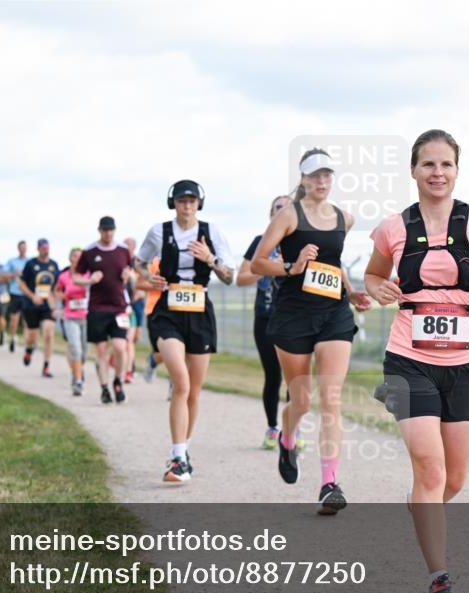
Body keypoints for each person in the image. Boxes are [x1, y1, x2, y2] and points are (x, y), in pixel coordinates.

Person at [364, 129, 469, 593]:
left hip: (467, 364)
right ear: (413, 170)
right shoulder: (393, 228)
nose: (437, 172)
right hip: (408, 361)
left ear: (457, 170)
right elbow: (371, 274)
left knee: (453, 478)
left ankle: (420, 508)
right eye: (427, 164)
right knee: (428, 469)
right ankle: (439, 579)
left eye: (446, 164)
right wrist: (379, 287)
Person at [249, 150, 373, 513]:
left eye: (327, 175)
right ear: (302, 179)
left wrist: (353, 293)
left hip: (334, 314)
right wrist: (292, 265)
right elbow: (258, 262)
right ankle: (288, 438)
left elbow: (333, 266)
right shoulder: (289, 215)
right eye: (314, 175)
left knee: (331, 398)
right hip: (293, 317)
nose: (321, 181)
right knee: (301, 400)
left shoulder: (343, 218)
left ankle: (329, 484)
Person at [136, 180, 235, 482]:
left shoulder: (212, 232)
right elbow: (138, 263)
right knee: (180, 382)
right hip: (168, 311)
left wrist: (210, 259)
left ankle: (183, 450)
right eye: (181, 201)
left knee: (193, 389)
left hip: (200, 311)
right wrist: (147, 277)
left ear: (199, 204)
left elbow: (229, 276)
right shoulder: (158, 231)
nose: (187, 206)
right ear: (173, 203)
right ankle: (177, 457)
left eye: (192, 201)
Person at [237, 194, 293, 450]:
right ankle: (273, 429)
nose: (282, 211)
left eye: (287, 207)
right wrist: (268, 266)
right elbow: (241, 278)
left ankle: (293, 430)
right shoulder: (261, 243)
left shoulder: (301, 243)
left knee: (296, 378)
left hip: (296, 318)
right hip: (266, 317)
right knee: (273, 376)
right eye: (277, 208)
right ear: (271, 215)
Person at [75, 217, 132, 403]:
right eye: (105, 230)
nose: (108, 234)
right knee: (101, 351)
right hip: (97, 307)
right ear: (99, 231)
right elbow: (76, 277)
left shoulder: (123, 250)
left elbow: (131, 270)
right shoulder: (90, 251)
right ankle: (104, 388)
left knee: (120, 347)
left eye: (111, 230)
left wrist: (128, 274)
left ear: (114, 231)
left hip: (119, 306)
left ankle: (118, 381)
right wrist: (89, 280)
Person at [18, 238, 59, 377]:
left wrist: (54, 305)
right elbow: (21, 284)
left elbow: (56, 287)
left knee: (49, 332)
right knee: (32, 337)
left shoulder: (54, 265)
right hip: (32, 304)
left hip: (48, 305)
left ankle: (46, 366)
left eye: (47, 247)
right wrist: (31, 296)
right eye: (42, 247)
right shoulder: (31, 264)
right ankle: (29, 350)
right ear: (38, 249)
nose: (45, 250)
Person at [56, 247, 90, 396]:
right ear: (70, 258)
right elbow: (57, 291)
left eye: (80, 256)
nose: (78, 259)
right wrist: (65, 297)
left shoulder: (88, 274)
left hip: (87, 316)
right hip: (70, 317)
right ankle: (78, 381)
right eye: (75, 256)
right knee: (75, 347)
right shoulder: (64, 276)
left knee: (84, 352)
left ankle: (77, 370)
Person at [123, 236, 147, 384]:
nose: (128, 247)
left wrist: (140, 292)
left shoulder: (139, 262)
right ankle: (129, 367)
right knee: (128, 339)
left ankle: (126, 359)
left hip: (137, 303)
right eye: (126, 244)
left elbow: (145, 281)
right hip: (124, 305)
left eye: (130, 245)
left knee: (136, 336)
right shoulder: (119, 260)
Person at [4, 240, 29, 353]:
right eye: (21, 247)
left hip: (27, 294)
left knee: (27, 321)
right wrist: (14, 274)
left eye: (24, 247)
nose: (23, 249)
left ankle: (26, 342)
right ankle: (13, 337)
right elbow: (3, 276)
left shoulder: (30, 262)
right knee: (14, 320)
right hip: (15, 293)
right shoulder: (12, 261)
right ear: (18, 248)